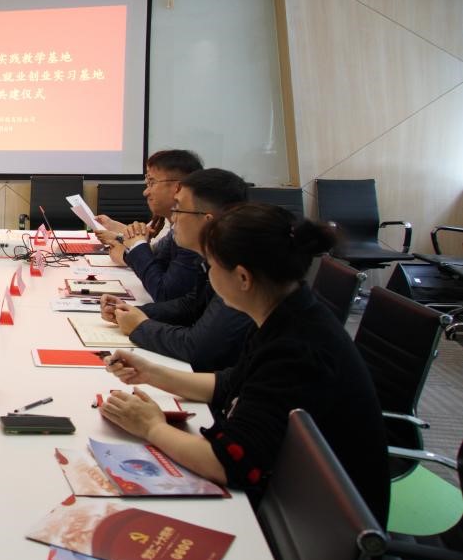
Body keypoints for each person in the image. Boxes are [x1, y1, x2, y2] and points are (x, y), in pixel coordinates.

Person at [98, 203, 389, 524]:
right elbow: (233, 383)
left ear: (243, 277)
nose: (207, 276)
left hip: (317, 523)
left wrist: (151, 427)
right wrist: (151, 373)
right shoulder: (286, 311)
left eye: (210, 266)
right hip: (297, 494)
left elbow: (229, 463)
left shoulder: (296, 348)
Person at [99, 168, 254, 372]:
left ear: (207, 221)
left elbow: (198, 348)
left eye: (179, 209)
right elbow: (191, 304)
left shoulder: (239, 269)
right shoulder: (216, 257)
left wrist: (140, 326)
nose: (173, 219)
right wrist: (132, 312)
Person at [95, 149, 204, 302]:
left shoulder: (193, 232)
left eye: (152, 183)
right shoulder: (175, 228)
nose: (145, 192)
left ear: (179, 188)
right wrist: (131, 250)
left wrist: (136, 245)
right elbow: (157, 260)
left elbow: (164, 293)